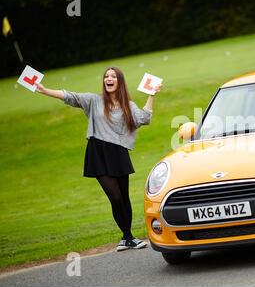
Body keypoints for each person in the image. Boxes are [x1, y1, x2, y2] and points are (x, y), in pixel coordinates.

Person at [35, 66, 161, 251]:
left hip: (118, 153)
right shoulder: (94, 101)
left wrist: (151, 95)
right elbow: (70, 96)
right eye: (106, 76)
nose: (108, 79)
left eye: (113, 76)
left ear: (119, 82)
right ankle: (127, 237)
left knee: (124, 197)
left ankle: (128, 238)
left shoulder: (128, 105)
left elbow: (143, 119)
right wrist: (45, 91)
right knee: (115, 197)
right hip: (97, 153)